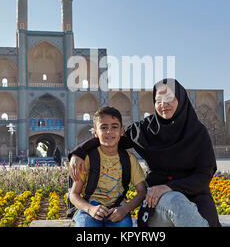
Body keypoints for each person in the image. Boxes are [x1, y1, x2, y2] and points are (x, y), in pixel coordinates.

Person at [69, 78, 220, 227]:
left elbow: (204, 175)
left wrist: (170, 186)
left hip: (195, 195)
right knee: (174, 201)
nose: (163, 104)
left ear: (181, 99)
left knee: (204, 219)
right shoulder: (145, 130)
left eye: (169, 98)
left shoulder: (198, 133)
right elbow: (111, 139)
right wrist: (79, 152)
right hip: (159, 199)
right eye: (158, 100)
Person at [69, 106, 147, 227]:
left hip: (118, 209)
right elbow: (74, 194)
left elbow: (142, 191)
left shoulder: (129, 159)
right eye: (103, 127)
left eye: (114, 127)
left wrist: (125, 209)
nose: (109, 131)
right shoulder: (88, 158)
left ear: (122, 131)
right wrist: (90, 209)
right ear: (95, 132)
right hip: (90, 208)